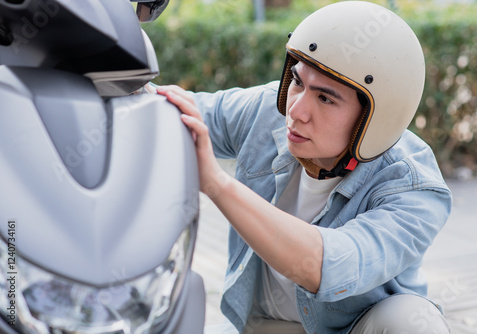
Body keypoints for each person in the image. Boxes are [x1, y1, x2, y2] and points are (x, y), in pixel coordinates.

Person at [156, 1, 452, 333]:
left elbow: (329, 266)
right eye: (297, 82)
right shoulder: (270, 109)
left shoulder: (414, 187)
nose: (296, 111)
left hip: (348, 328)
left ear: (374, 120)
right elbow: (175, 111)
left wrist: (216, 183)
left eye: (325, 98)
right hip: (264, 326)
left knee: (415, 322)